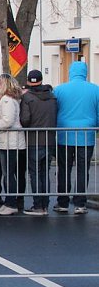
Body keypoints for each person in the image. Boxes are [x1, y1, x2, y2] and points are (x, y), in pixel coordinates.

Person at [52, 60, 99, 214]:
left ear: (70, 72)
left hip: (64, 136)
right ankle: (80, 203)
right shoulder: (95, 90)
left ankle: (63, 202)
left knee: (64, 169)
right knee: (82, 170)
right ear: (85, 73)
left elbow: (54, 111)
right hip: (86, 136)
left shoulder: (59, 90)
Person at [0, 74, 26, 215]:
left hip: (11, 142)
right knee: (7, 174)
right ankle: (9, 202)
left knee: (9, 174)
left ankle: (11, 203)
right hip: (5, 141)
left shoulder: (8, 100)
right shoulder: (3, 99)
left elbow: (7, 121)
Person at [20, 70, 57, 215]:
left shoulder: (27, 97)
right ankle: (45, 205)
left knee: (35, 174)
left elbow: (25, 120)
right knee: (45, 173)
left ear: (28, 82)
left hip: (33, 140)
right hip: (49, 140)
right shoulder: (52, 97)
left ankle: (38, 206)